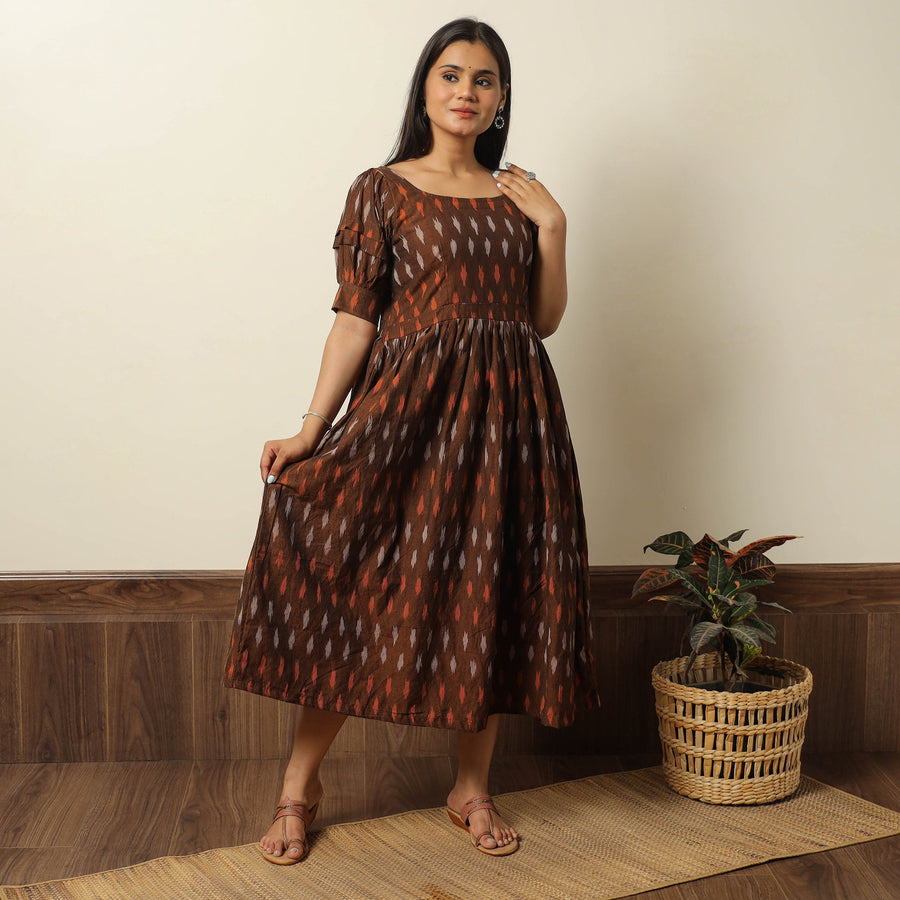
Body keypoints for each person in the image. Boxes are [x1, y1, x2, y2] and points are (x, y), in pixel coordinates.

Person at [223, 16, 599, 864]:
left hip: (512, 425)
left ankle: (471, 787)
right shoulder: (383, 190)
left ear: (501, 98)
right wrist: (312, 430)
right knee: (357, 585)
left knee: (491, 588)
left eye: (484, 80)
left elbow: (541, 321)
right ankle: (298, 789)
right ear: (425, 88)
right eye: (451, 75)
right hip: (409, 419)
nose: (467, 92)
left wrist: (553, 229)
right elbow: (356, 321)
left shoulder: (519, 197)